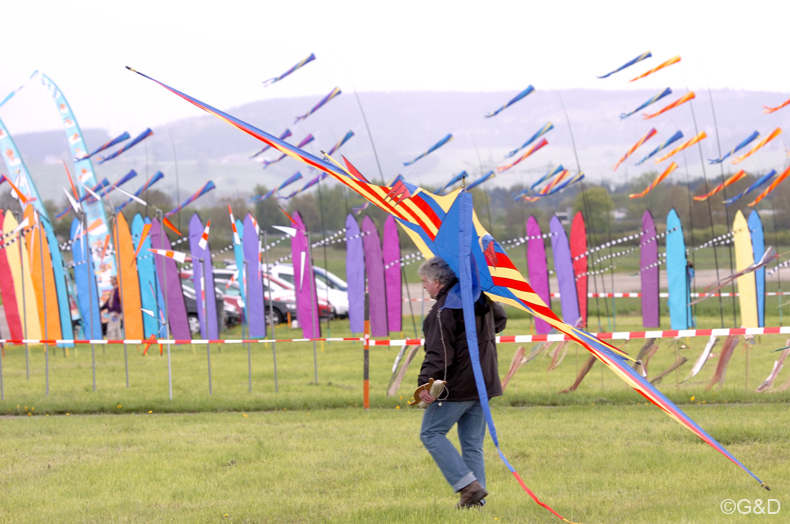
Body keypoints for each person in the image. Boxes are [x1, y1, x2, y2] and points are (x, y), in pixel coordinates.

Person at [416, 256, 507, 508]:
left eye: (424, 281)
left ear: (437, 282)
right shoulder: (480, 299)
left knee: (431, 433)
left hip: (458, 387)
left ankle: (467, 486)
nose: (423, 286)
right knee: (472, 445)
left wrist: (426, 384)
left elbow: (439, 354)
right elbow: (500, 319)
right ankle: (475, 504)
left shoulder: (444, 310)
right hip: (484, 383)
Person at [101, 276, 123, 340]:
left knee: (111, 326)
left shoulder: (118, 290)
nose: (110, 281)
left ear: (115, 281)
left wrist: (118, 312)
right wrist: (102, 308)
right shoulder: (114, 290)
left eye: (111, 280)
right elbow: (109, 301)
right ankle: (118, 340)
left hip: (115, 311)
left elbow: (120, 301)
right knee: (116, 327)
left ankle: (110, 340)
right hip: (113, 311)